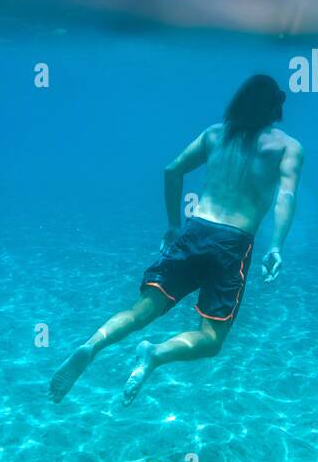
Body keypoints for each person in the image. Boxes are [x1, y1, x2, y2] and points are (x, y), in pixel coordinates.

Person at [49, 75, 304, 406]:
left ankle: (92, 345)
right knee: (211, 339)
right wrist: (276, 247)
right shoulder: (287, 147)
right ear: (276, 106)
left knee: (141, 311)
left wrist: (172, 225)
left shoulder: (214, 135)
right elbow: (286, 196)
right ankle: (154, 355)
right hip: (233, 243)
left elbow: (172, 171)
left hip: (195, 231)